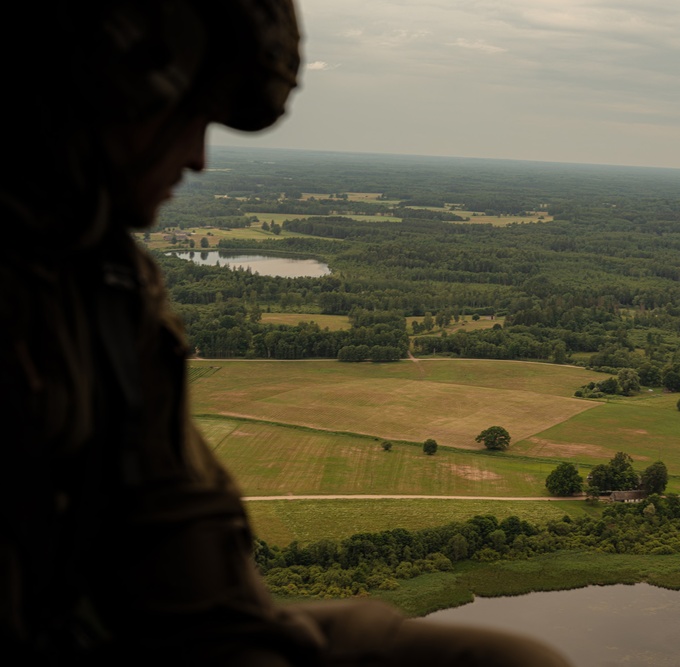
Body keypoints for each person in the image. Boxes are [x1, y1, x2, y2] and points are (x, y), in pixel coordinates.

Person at [0, 2, 571, 665]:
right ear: (111, 94)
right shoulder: (72, 288)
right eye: (187, 121)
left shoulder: (104, 288)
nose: (198, 161)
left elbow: (180, 554)